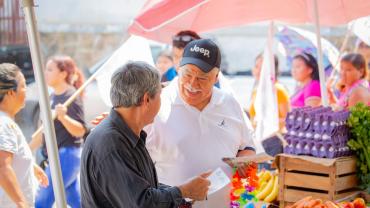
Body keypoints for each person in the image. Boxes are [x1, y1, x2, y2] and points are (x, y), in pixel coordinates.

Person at [80, 61, 211, 208]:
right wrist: (183, 191)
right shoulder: (110, 143)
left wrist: (184, 194)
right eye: (160, 95)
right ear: (146, 99)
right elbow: (141, 203)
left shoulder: (127, 134)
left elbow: (145, 187)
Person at [145, 39, 255, 208]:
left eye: (203, 78)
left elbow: (246, 147)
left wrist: (245, 164)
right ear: (178, 68)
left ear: (216, 77)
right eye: (188, 74)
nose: (192, 84)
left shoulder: (230, 103)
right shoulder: (157, 104)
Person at [29, 56, 86, 208]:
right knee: (77, 202)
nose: (45, 73)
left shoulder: (71, 96)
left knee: (41, 202)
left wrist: (64, 117)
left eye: (50, 69)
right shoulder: (52, 96)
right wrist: (25, 150)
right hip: (58, 156)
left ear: (63, 74)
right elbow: (44, 132)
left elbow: (80, 130)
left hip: (66, 155)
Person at [0, 63, 48, 208]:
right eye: (23, 85)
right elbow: (2, 166)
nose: (26, 91)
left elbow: (10, 156)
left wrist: (30, 166)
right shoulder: (4, 124)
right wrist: (21, 203)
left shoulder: (6, 121)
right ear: (10, 92)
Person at [248, 53, 290, 131]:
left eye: (263, 68)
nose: (259, 71)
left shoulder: (278, 90)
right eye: (257, 66)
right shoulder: (256, 91)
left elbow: (288, 120)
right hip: (256, 137)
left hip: (274, 138)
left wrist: (264, 123)